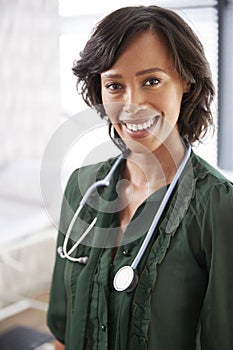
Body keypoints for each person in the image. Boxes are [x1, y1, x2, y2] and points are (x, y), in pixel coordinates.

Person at [47, 5, 233, 350]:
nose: (132, 104)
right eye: (115, 85)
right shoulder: (81, 188)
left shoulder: (219, 206)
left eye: (152, 81)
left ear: (186, 82)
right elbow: (62, 333)